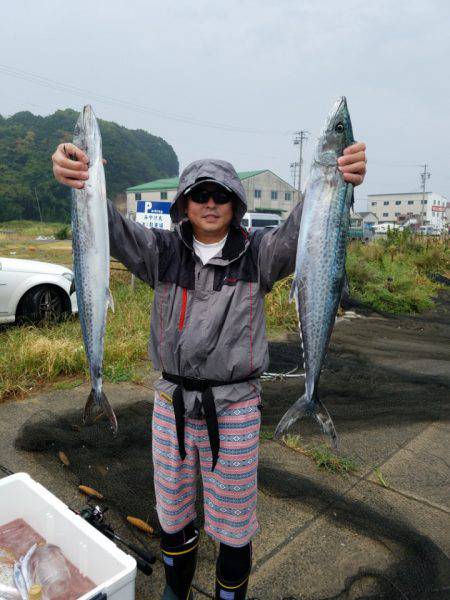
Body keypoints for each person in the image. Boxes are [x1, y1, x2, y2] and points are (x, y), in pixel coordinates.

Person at [52, 142, 366, 599]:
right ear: (184, 203)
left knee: (235, 524)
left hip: (235, 408)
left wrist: (337, 178)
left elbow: (305, 227)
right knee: (173, 513)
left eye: (221, 195)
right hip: (171, 405)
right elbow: (110, 230)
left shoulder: (259, 252)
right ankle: (177, 590)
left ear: (236, 203)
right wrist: (83, 182)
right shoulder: (160, 251)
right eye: (200, 195)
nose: (211, 203)